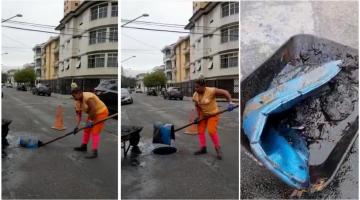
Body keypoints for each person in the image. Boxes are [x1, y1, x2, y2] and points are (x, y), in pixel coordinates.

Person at [192, 79, 236, 160]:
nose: (196, 89)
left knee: (211, 131)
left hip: (213, 114)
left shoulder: (211, 91)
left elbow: (225, 92)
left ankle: (218, 149)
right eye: (195, 87)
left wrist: (230, 103)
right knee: (200, 131)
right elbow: (197, 106)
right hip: (203, 115)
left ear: (203, 86)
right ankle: (203, 148)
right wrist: (199, 117)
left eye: (197, 87)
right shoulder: (195, 95)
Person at [72, 87, 109, 159]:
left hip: (101, 112)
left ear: (80, 93)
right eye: (73, 96)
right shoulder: (77, 102)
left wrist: (91, 121)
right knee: (87, 130)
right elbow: (78, 115)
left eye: (74, 96)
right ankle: (84, 146)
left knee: (95, 131)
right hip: (92, 113)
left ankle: (94, 152)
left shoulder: (88, 97)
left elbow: (94, 109)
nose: (74, 98)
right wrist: (77, 126)